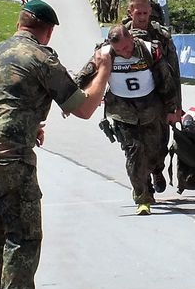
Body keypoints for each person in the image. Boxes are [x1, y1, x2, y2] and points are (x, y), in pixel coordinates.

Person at [0, 0, 112, 289]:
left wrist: (29, 125)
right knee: (22, 235)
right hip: (9, 155)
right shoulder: (41, 57)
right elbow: (84, 107)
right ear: (47, 30)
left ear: (20, 23)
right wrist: (102, 68)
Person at [75, 25, 178, 216]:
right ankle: (142, 197)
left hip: (151, 107)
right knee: (135, 152)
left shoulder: (149, 49)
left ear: (131, 38)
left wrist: (172, 108)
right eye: (119, 50)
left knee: (157, 149)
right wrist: (71, 100)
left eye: (126, 47)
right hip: (122, 110)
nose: (124, 52)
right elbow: (83, 75)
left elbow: (166, 79)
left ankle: (156, 169)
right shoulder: (104, 54)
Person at [124, 0, 183, 193]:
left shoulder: (161, 36)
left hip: (158, 98)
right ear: (129, 12)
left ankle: (157, 168)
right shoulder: (121, 35)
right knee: (135, 147)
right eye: (138, 13)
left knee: (159, 143)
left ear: (151, 12)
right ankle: (144, 187)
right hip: (129, 102)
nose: (142, 17)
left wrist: (177, 107)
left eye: (145, 13)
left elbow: (174, 73)